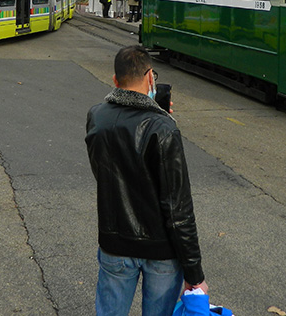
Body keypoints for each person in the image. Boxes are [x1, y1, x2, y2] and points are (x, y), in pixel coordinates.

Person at [86, 46, 206, 315]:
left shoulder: (96, 117)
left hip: (115, 243)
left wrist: (156, 112)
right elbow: (179, 209)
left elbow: (107, 172)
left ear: (115, 80)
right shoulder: (162, 128)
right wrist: (195, 275)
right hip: (161, 251)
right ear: (151, 77)